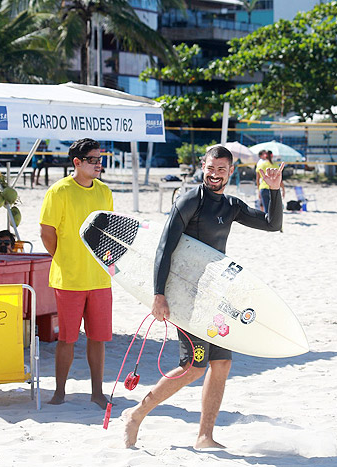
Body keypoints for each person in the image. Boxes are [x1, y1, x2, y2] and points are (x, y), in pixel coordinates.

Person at [122, 145, 284, 449]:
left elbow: (272, 224)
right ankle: (135, 415)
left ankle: (205, 436)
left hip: (214, 296)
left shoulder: (231, 206)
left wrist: (274, 192)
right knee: (193, 367)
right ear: (203, 166)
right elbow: (163, 248)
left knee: (221, 364)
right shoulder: (188, 201)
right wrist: (159, 294)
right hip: (185, 298)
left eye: (221, 170)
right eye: (210, 168)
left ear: (230, 172)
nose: (214, 175)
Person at [39, 138, 114, 407]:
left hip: (99, 278)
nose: (98, 164)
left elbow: (109, 231)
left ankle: (97, 393)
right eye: (93, 160)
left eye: (100, 159)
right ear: (77, 162)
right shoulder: (59, 192)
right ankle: (59, 391)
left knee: (98, 338)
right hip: (69, 278)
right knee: (67, 339)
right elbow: (47, 233)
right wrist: (64, 258)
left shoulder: (104, 191)